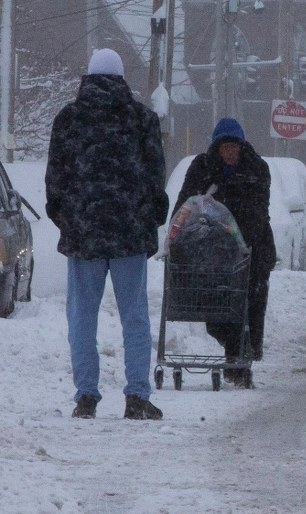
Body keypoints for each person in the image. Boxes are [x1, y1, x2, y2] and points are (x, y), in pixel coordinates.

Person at [45, 48, 169, 420]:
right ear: (120, 78)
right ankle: (136, 397)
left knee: (82, 316)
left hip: (84, 233)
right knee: (135, 316)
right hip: (130, 233)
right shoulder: (142, 118)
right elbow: (154, 175)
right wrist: (150, 216)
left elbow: (55, 177)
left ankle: (85, 395)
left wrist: (66, 216)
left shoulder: (68, 118)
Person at [172, 118, 276, 383]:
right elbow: (185, 206)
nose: (230, 152)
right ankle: (236, 354)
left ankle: (240, 357)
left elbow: (258, 213)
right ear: (217, 148)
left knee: (246, 301)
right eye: (225, 147)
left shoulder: (256, 169)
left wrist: (236, 238)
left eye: (234, 147)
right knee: (214, 303)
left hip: (250, 248)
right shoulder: (202, 168)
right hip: (209, 250)